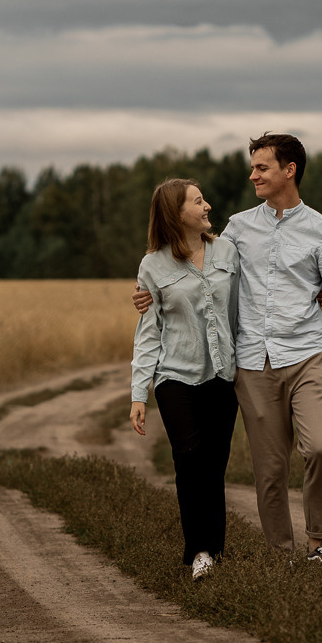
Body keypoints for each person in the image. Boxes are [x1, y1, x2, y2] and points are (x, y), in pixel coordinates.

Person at [135, 132, 322, 575]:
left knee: (320, 447)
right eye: (254, 166)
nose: (253, 174)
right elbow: (194, 265)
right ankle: (281, 556)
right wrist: (148, 292)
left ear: (289, 170)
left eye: (262, 167)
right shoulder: (238, 228)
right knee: (269, 469)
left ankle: (319, 543)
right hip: (252, 364)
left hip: (307, 356)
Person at [129, 177, 240, 582]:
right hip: (175, 376)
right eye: (198, 201)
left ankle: (216, 551)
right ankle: (199, 552)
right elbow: (148, 331)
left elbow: (252, 300)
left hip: (223, 375)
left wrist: (311, 295)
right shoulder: (152, 266)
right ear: (176, 213)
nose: (207, 206)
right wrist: (139, 392)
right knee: (190, 458)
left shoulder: (227, 251)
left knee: (214, 465)